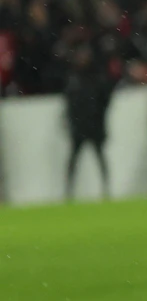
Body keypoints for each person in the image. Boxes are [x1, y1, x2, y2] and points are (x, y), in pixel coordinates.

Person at [62, 42, 114, 200]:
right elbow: (70, 104)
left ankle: (106, 189)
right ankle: (69, 191)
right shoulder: (73, 78)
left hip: (94, 124)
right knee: (75, 159)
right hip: (79, 125)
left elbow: (105, 101)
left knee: (98, 157)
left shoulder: (95, 77)